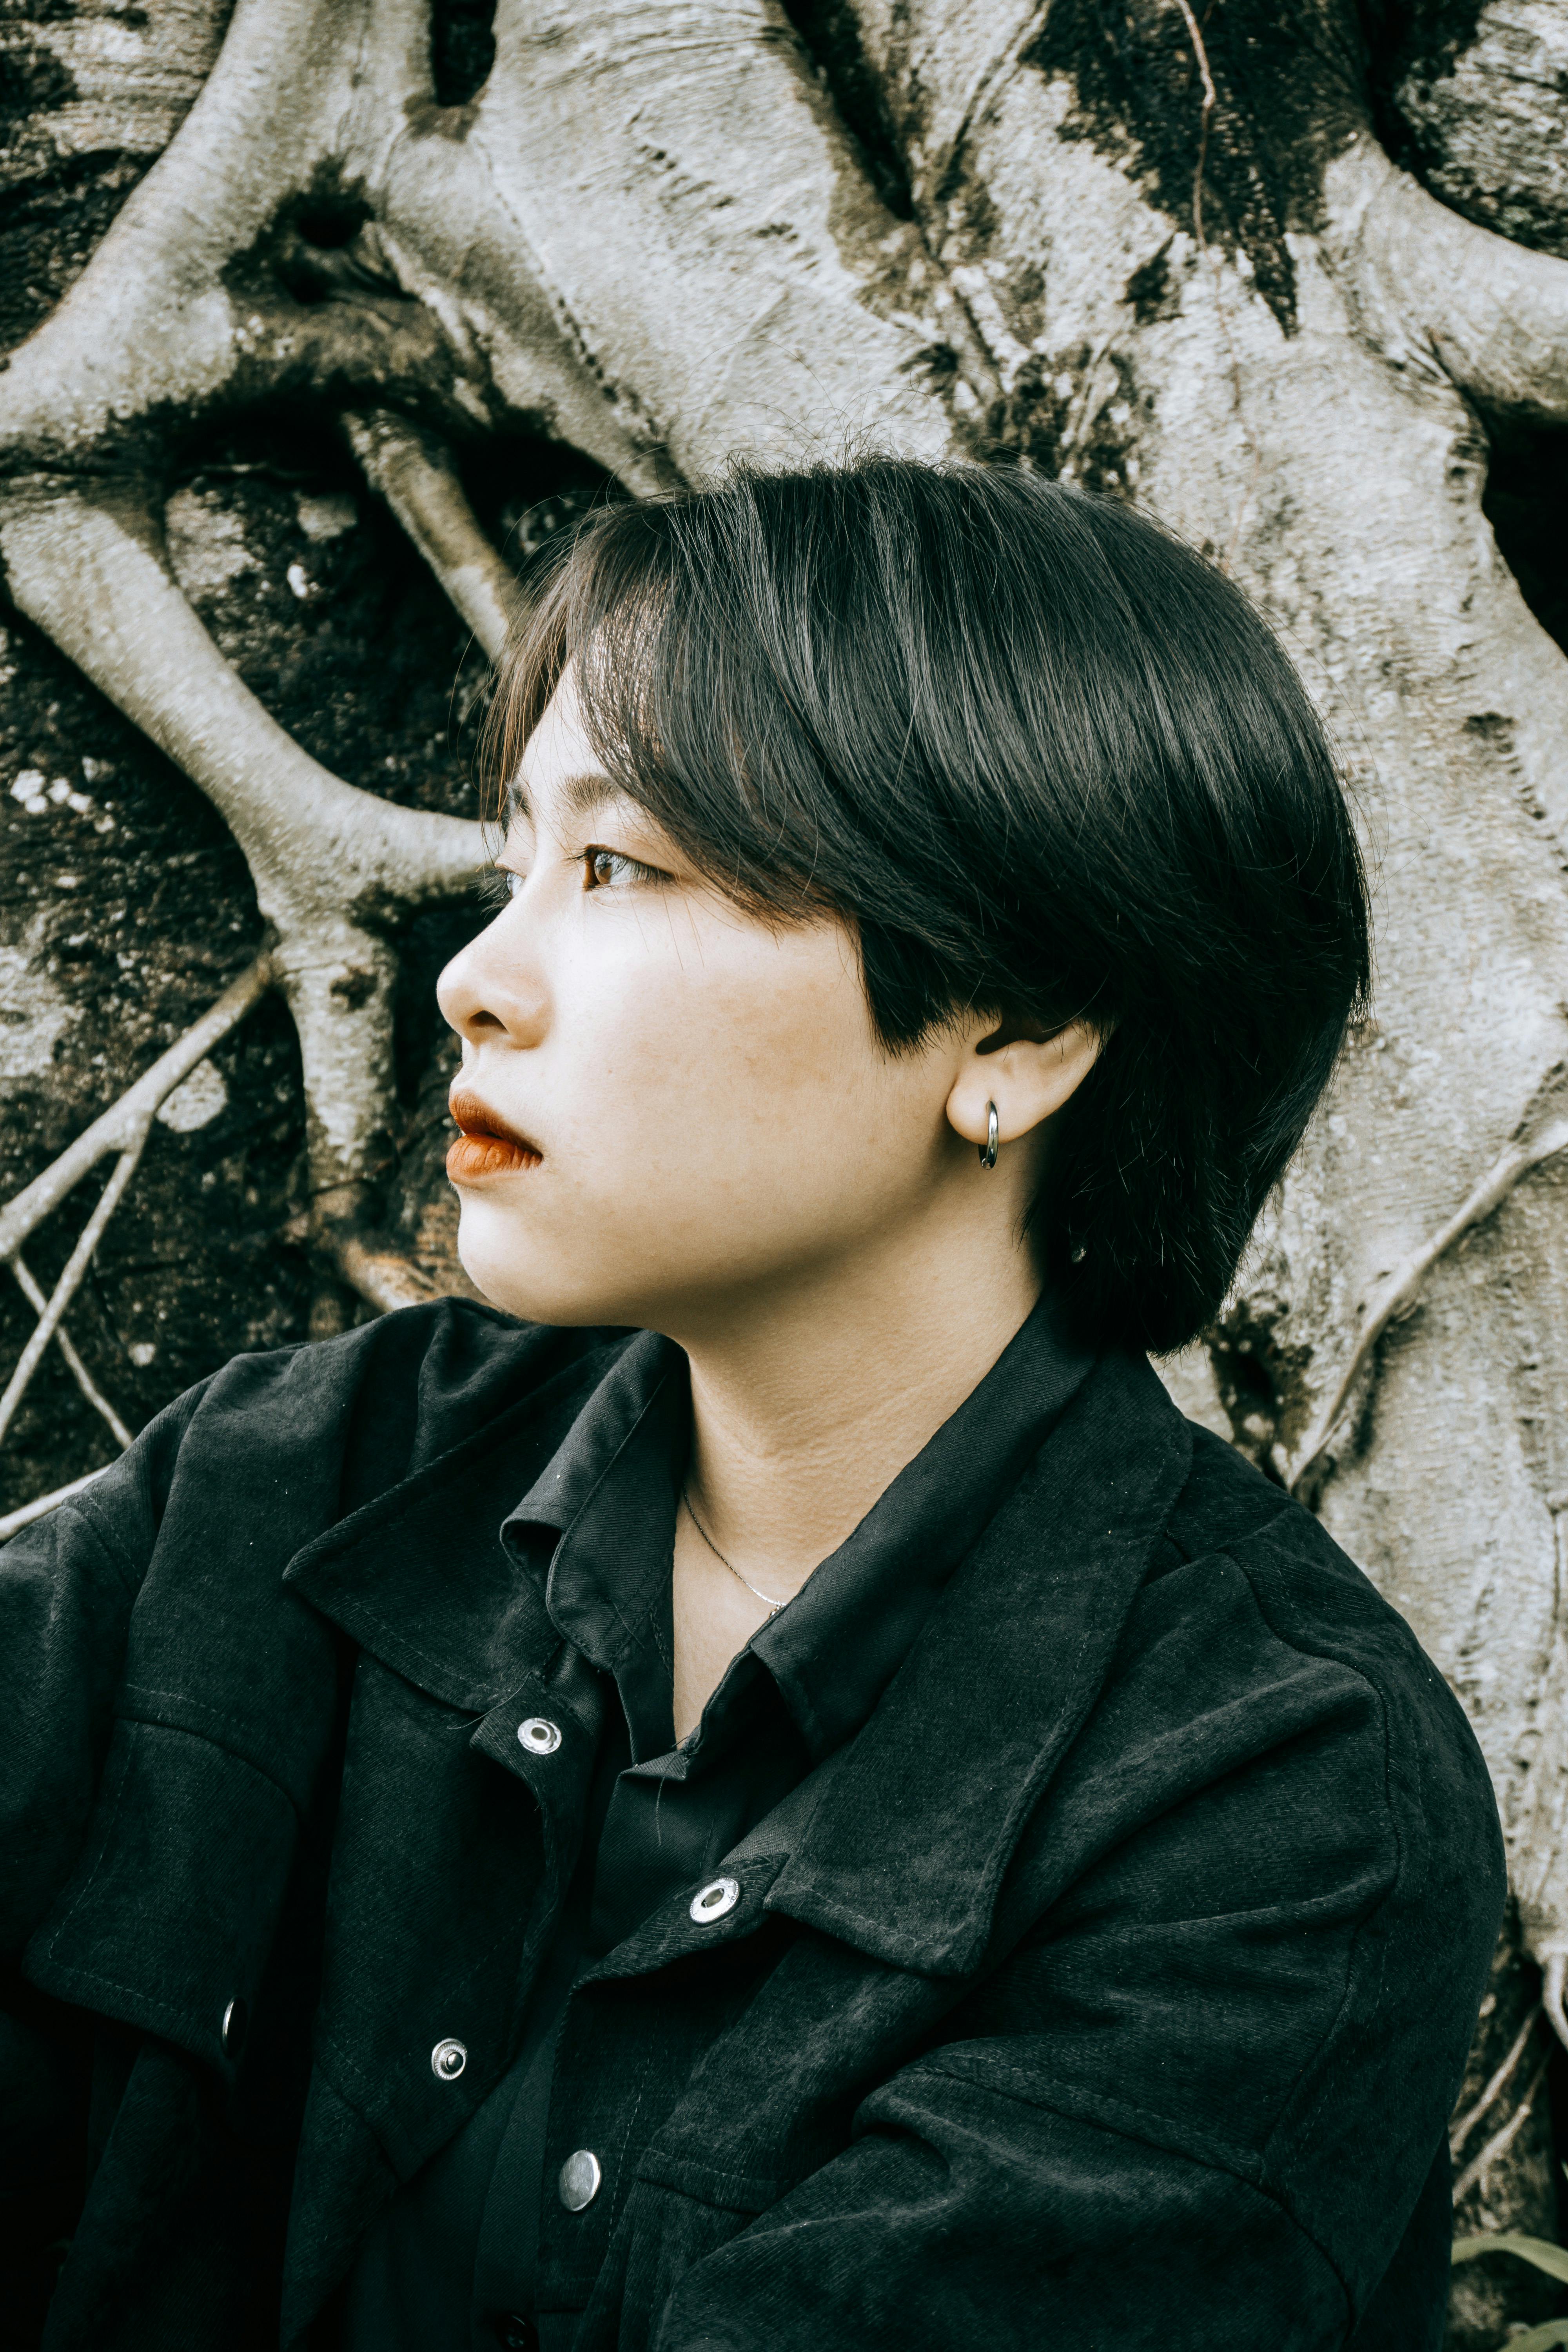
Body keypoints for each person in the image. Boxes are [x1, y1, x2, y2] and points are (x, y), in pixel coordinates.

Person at [1, 457, 1503, 2352]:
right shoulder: (306, 1474)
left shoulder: (1279, 1802)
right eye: (515, 863)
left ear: (1018, 1033)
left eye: (619, 867)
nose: (474, 978)